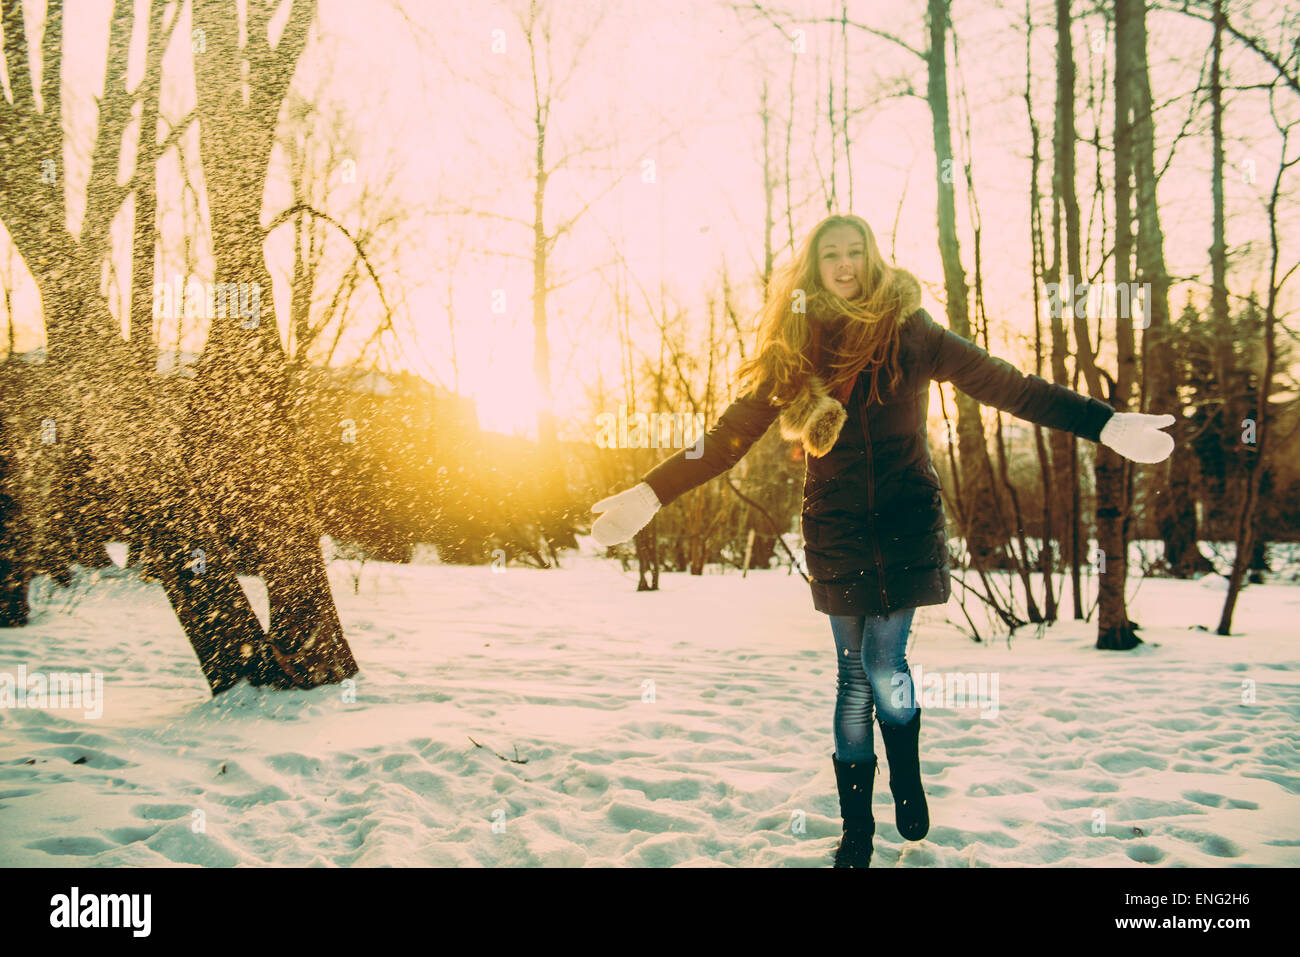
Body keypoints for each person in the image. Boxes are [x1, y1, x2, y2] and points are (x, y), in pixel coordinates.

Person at [589, 214, 1174, 867]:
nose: (844, 264)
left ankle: (905, 766)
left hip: (905, 521)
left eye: (854, 252)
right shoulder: (794, 348)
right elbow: (729, 437)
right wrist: (649, 493)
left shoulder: (913, 333)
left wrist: (1107, 424)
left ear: (872, 258)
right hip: (835, 526)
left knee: (882, 662)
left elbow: (1008, 384)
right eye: (831, 254)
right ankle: (856, 830)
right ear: (814, 268)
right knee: (852, 675)